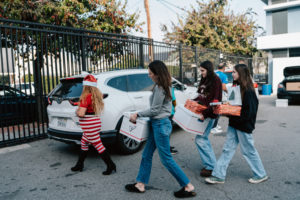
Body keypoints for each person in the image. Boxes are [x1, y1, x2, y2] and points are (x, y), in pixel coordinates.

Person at [125, 60, 196, 198]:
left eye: (150, 73)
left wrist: (137, 114)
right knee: (146, 154)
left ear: (158, 74)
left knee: (166, 159)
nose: (149, 75)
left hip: (160, 125)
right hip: (158, 124)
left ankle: (188, 186)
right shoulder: (163, 86)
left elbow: (155, 110)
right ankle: (140, 184)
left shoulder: (160, 88)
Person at [205, 64, 268, 184]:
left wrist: (229, 113)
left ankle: (261, 174)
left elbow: (249, 113)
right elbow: (234, 107)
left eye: (234, 72)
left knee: (248, 151)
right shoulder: (236, 88)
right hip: (234, 124)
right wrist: (224, 110)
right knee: (227, 150)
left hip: (243, 126)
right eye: (232, 72)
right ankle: (218, 175)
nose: (232, 74)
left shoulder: (249, 91)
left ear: (241, 74)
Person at [71, 74, 116, 175]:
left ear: (85, 86)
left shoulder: (86, 97)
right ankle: (80, 164)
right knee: (84, 143)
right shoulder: (95, 95)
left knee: (98, 145)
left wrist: (76, 112)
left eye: (83, 85)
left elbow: (81, 114)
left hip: (89, 124)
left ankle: (111, 165)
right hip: (94, 121)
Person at [193, 60, 222, 177]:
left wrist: (205, 114)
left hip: (209, 115)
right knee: (203, 139)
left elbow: (215, 101)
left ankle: (211, 166)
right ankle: (211, 164)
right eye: (200, 70)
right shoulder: (205, 79)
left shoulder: (216, 81)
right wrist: (192, 102)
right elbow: (201, 96)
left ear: (209, 70)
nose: (201, 73)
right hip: (203, 113)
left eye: (203, 71)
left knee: (200, 139)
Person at [211, 62, 228, 134]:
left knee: (214, 110)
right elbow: (224, 87)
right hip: (218, 95)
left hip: (211, 95)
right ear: (224, 68)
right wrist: (228, 92)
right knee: (218, 111)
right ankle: (213, 127)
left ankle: (215, 125)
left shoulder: (213, 73)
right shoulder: (223, 75)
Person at [170, 86, 178, 155]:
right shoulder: (170, 87)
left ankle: (167, 146)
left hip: (168, 112)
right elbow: (174, 99)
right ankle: (167, 148)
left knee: (167, 131)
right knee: (168, 132)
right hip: (169, 112)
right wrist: (175, 106)